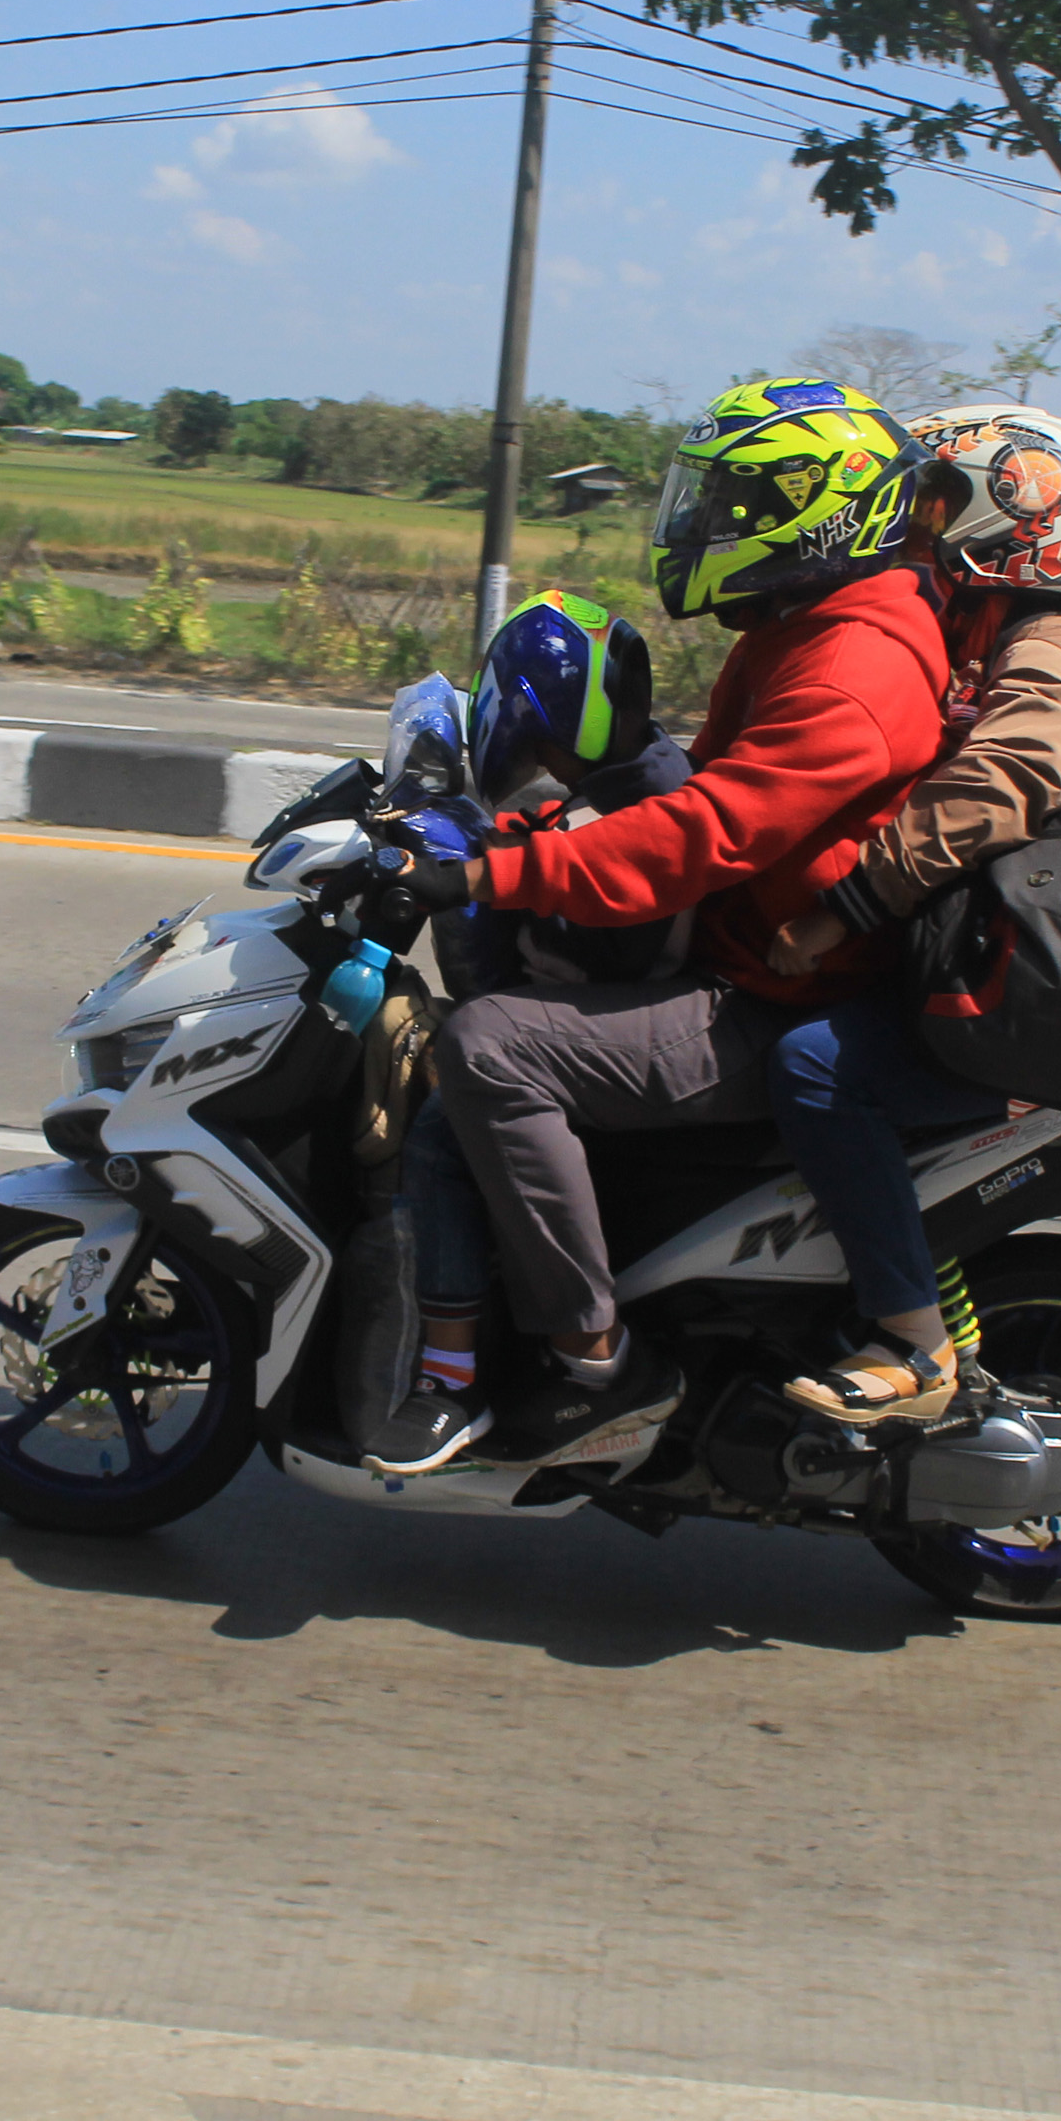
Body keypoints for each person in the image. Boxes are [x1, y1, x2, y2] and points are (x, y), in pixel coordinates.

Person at [378, 378, 954, 1469]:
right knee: (490, 1053)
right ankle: (470, 1345)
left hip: (771, 998)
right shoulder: (807, 626)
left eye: (735, 506)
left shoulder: (853, 667)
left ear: (819, 510)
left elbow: (707, 833)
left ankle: (596, 1359)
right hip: (754, 964)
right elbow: (708, 793)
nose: (706, 528)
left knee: (488, 1044)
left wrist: (496, 874)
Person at [756, 406, 1061, 1423]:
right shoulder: (989, 640)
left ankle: (911, 1342)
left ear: (1024, 523)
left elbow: (1002, 778)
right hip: (989, 961)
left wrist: (843, 909)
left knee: (816, 1066)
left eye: (940, 506)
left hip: (1037, 996)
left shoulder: (1060, 650)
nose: (918, 529)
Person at [371, 591, 691, 1472]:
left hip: (643, 1015)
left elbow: (524, 961)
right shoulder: (655, 771)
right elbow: (554, 838)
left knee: (447, 1118)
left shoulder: (627, 817)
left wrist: (463, 875)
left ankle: (451, 1380)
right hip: (658, 1005)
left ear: (542, 723)